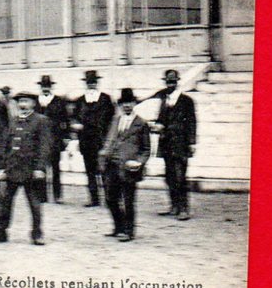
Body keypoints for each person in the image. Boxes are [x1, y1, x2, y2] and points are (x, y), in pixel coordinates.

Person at [0, 92, 52, 246]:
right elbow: (5, 146)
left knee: (35, 205)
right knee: (4, 204)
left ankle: (37, 234)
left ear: (33, 104)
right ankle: (0, 233)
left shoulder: (41, 121)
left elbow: (45, 146)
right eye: (20, 102)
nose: (22, 105)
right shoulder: (13, 121)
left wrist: (40, 168)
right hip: (12, 170)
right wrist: (1, 167)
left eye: (26, 101)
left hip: (31, 171)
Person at [99, 89, 151, 242]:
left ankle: (129, 231)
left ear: (135, 103)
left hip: (129, 168)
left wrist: (139, 162)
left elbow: (146, 149)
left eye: (130, 102)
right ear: (120, 105)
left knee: (128, 200)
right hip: (111, 165)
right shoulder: (115, 120)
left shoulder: (141, 124)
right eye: (124, 103)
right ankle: (118, 227)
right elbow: (109, 140)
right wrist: (104, 154)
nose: (127, 106)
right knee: (110, 198)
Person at [150, 69, 198, 220]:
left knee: (180, 176)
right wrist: (157, 126)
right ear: (165, 82)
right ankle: (174, 206)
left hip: (181, 143)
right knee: (169, 176)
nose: (170, 84)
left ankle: (184, 208)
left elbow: (191, 123)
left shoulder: (186, 101)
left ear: (178, 82)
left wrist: (192, 142)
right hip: (166, 143)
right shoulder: (162, 99)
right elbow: (158, 118)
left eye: (173, 81)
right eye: (168, 81)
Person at [71, 70, 115, 208]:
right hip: (86, 140)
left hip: (101, 140)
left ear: (97, 83)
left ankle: (109, 198)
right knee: (90, 170)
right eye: (89, 82)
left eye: (93, 82)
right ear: (86, 83)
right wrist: (76, 125)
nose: (91, 85)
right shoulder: (80, 101)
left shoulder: (105, 99)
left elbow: (112, 119)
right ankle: (94, 198)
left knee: (104, 169)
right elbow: (75, 118)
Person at [36, 75, 70, 204]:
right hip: (39, 140)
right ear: (41, 87)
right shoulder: (36, 102)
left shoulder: (58, 101)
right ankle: (42, 195)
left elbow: (65, 120)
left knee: (55, 168)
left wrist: (66, 137)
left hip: (55, 139)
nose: (45, 89)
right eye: (43, 86)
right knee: (41, 167)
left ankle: (57, 195)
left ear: (51, 87)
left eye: (47, 86)